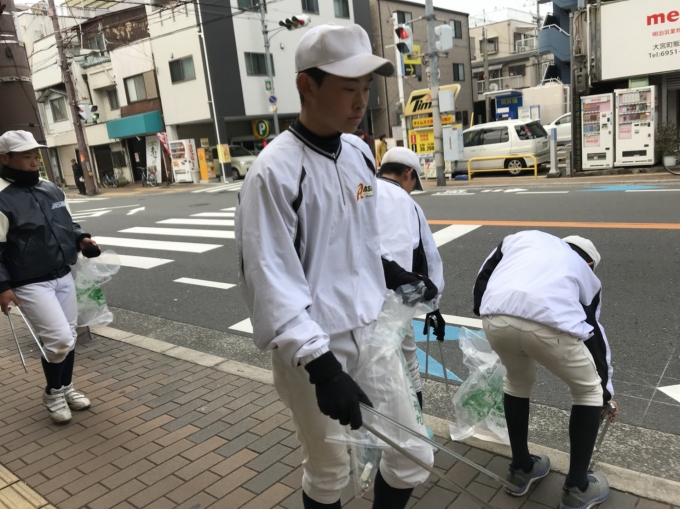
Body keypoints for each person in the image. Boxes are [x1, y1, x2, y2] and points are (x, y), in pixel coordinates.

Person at [236, 24, 437, 509]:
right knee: (329, 472)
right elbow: (268, 278)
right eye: (348, 88)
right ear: (306, 85)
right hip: (314, 343)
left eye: (366, 87)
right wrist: (323, 370)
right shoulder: (273, 172)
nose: (360, 101)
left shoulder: (359, 152)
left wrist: (396, 275)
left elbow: (358, 237)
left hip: (369, 329)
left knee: (413, 454)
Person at [472, 230, 619, 509]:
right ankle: (577, 487)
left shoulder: (522, 239)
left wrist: (487, 313)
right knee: (587, 391)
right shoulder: (585, 273)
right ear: (589, 263)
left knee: (517, 382)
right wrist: (605, 393)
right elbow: (593, 334)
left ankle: (521, 469)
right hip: (549, 324)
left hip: (496, 316)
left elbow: (484, 275)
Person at [0, 131, 98, 423]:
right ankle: (53, 392)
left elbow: (67, 223)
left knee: (69, 337)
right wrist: (2, 286)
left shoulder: (50, 188)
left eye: (35, 155)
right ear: (5, 158)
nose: (34, 162)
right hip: (28, 281)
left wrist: (81, 238)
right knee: (59, 339)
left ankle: (66, 387)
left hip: (62, 272)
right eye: (26, 156)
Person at [375, 146, 445, 410]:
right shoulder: (410, 205)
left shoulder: (361, 191)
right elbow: (428, 259)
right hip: (398, 299)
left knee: (367, 367)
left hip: (359, 300)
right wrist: (433, 306)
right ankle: (414, 425)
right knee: (409, 366)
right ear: (408, 173)